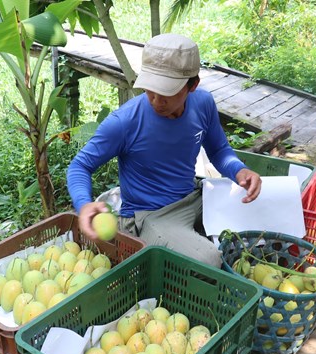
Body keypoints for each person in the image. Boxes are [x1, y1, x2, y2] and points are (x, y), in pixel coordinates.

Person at [66, 33, 262, 267]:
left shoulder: (203, 104)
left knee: (261, 221)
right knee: (207, 261)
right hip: (151, 215)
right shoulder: (125, 122)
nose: (157, 100)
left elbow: (219, 150)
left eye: (167, 91)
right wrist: (83, 204)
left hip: (193, 196)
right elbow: (80, 166)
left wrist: (239, 171)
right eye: (150, 89)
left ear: (192, 85)